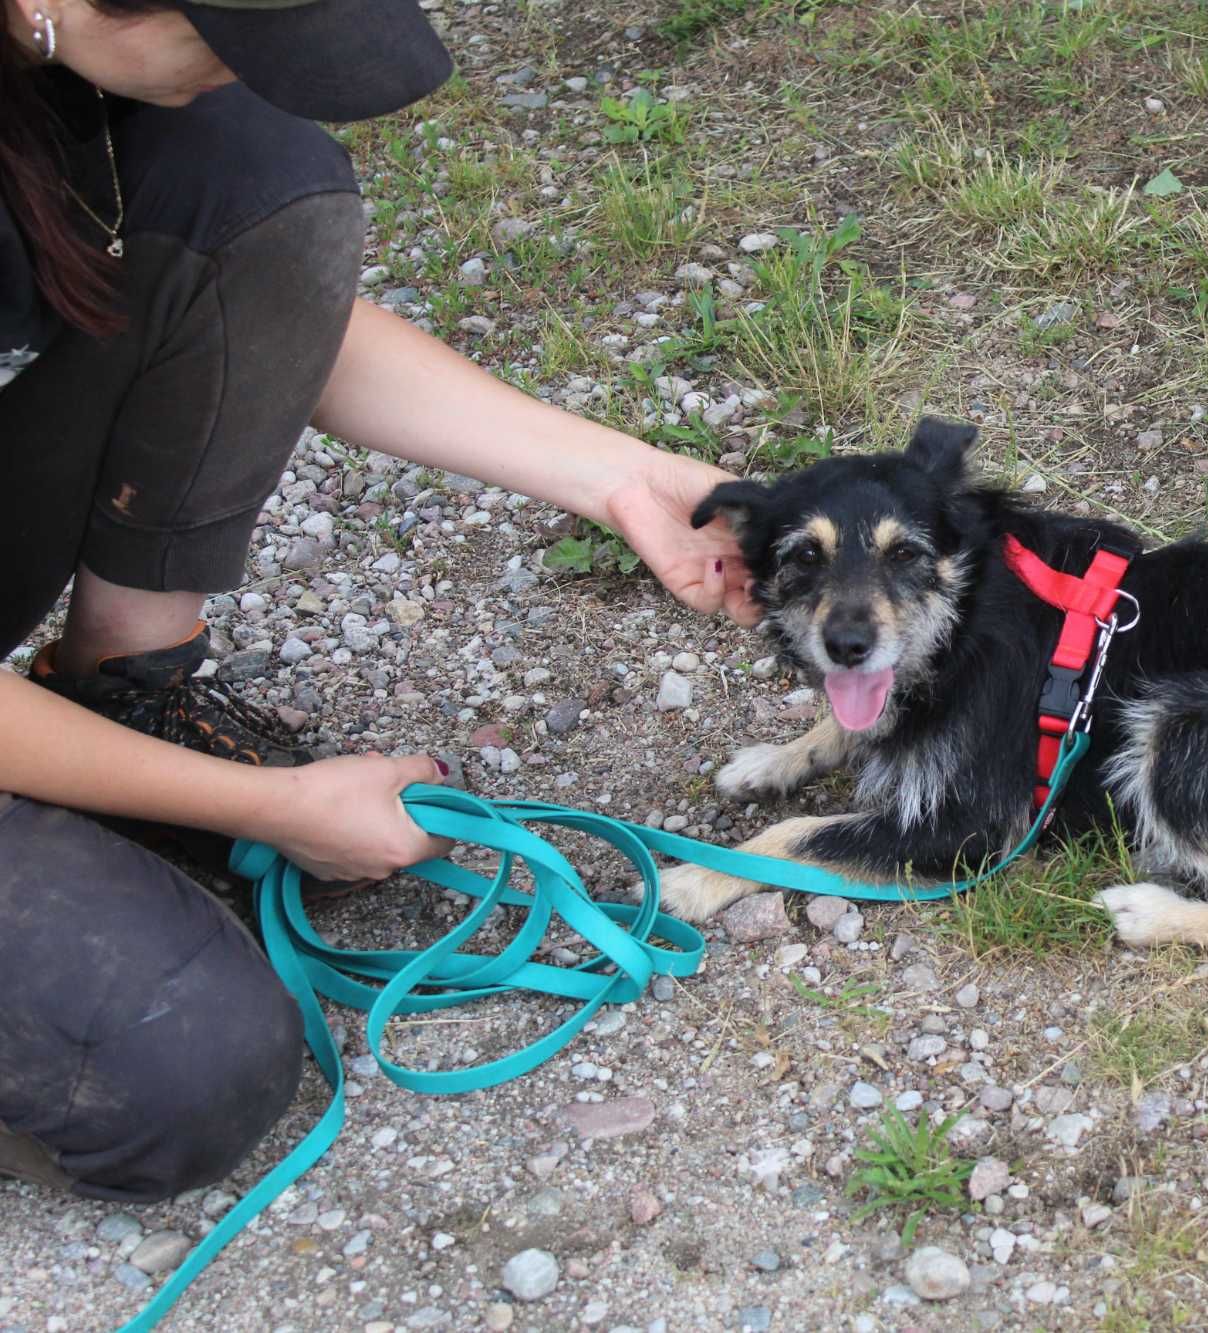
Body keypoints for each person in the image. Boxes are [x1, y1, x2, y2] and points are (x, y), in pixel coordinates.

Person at [0, 0, 756, 1204]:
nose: (237, 75)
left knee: (255, 172)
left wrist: (620, 477)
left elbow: (261, 299)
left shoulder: (71, 65)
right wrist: (269, 804)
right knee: (181, 1062)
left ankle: (122, 702)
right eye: (223, 40)